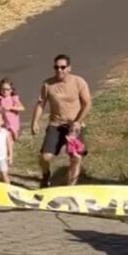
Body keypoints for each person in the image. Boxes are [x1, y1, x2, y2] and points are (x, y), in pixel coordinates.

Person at [31, 54, 92, 188]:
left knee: (76, 157)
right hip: (56, 125)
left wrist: (77, 121)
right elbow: (41, 104)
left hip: (74, 127)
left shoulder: (78, 82)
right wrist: (34, 122)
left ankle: (70, 188)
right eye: (56, 67)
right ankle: (46, 174)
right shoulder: (48, 84)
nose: (59, 70)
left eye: (63, 67)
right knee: (45, 157)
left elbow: (87, 103)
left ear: (69, 68)